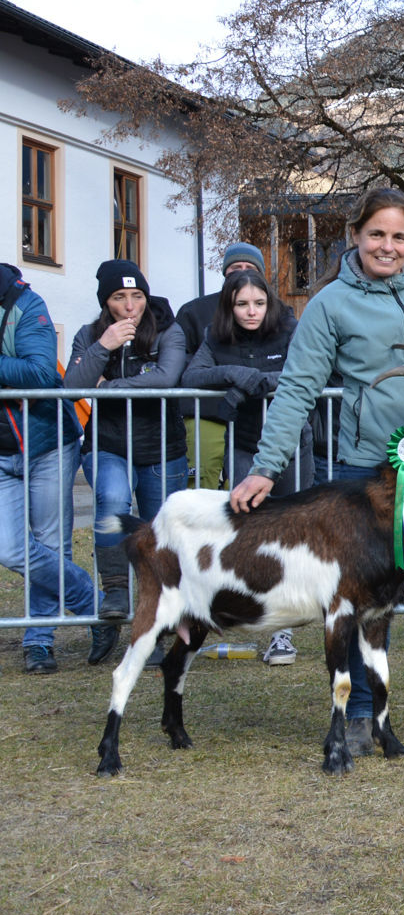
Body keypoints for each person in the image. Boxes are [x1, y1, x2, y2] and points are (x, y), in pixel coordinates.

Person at [229, 188, 404, 756]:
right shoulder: (329, 304)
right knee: (354, 599)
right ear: (354, 235)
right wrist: (266, 469)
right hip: (363, 478)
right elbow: (298, 387)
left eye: (399, 236)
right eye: (376, 234)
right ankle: (360, 715)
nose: (387, 247)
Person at [181, 267, 312, 665]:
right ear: (229, 306)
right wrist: (238, 375)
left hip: (292, 443)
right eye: (242, 304)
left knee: (296, 531)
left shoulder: (289, 329)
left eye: (258, 303)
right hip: (246, 446)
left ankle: (296, 622)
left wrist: (263, 382)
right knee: (252, 532)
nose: (251, 312)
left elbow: (306, 371)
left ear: (269, 302)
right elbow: (192, 375)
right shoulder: (216, 336)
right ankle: (269, 623)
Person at [63, 259, 190, 637]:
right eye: (120, 297)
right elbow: (72, 386)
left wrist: (108, 387)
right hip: (110, 444)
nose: (131, 306)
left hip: (162, 448)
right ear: (107, 303)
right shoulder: (90, 335)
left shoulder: (169, 330)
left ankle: (158, 618)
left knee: (160, 530)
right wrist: (104, 347)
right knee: (114, 502)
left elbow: (166, 378)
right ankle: (115, 591)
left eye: (137, 296)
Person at [3, 263, 108, 672]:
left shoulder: (26, 304)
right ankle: (95, 607)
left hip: (46, 441)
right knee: (11, 548)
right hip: (1, 449)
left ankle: (39, 641)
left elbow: (41, 372)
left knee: (51, 543)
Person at [176, 242, 267, 490]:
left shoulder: (271, 312)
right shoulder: (194, 311)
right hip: (206, 412)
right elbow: (182, 362)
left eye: (249, 267)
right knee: (201, 485)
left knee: (242, 488)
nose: (242, 271)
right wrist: (225, 372)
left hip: (253, 416)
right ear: (225, 271)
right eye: (235, 266)